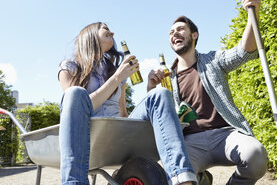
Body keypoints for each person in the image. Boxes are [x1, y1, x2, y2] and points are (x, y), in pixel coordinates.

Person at [147, 0, 269, 185]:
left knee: (256, 156)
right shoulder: (167, 77)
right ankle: (201, 179)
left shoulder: (213, 60)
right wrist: (151, 86)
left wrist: (253, 12)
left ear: (194, 35)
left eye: (180, 29)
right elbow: (158, 116)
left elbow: (244, 52)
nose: (174, 34)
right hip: (190, 142)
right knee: (175, 178)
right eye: (171, 32)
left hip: (226, 134)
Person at [58, 22, 197, 185]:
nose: (113, 33)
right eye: (106, 29)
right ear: (91, 35)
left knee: (159, 93)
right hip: (86, 136)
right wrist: (116, 78)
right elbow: (76, 109)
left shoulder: (115, 70)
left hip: (117, 137)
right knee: (75, 93)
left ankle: (182, 179)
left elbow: (124, 116)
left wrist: (150, 89)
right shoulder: (70, 67)